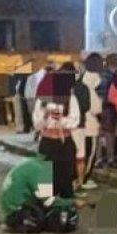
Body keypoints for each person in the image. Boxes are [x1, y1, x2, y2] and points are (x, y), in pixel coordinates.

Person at [33, 62, 82, 201]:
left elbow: (75, 120)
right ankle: (44, 211)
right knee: (45, 183)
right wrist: (45, 116)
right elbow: (36, 124)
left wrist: (61, 119)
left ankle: (65, 212)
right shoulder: (42, 100)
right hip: (47, 143)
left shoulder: (71, 99)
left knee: (65, 181)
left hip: (64, 143)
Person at [0, 154, 79, 234]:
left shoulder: (33, 162)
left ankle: (14, 220)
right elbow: (48, 201)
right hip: (16, 209)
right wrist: (73, 202)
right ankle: (15, 223)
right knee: (53, 218)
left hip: (9, 204)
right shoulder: (43, 170)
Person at [74, 54, 104, 191]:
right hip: (91, 123)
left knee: (80, 153)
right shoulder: (96, 82)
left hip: (77, 124)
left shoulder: (80, 81)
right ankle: (84, 179)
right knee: (90, 153)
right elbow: (96, 108)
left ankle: (78, 178)